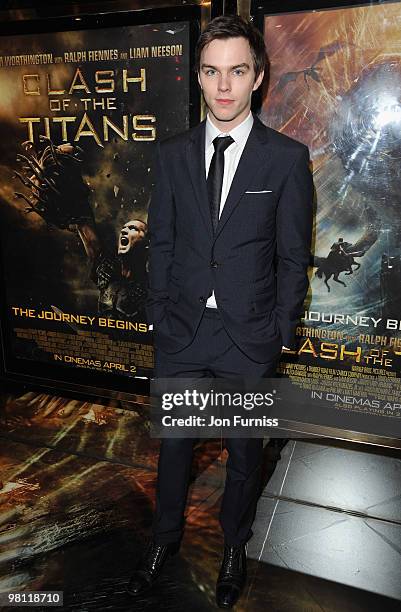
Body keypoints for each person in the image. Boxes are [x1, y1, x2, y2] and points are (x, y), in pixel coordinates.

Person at [128, 14, 313, 609]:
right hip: (183, 333)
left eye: (237, 71)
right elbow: (161, 240)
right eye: (212, 72)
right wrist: (160, 315)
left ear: (257, 77)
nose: (224, 86)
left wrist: (278, 333)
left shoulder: (285, 159)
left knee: (242, 458)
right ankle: (164, 540)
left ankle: (234, 547)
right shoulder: (174, 154)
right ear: (199, 79)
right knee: (175, 448)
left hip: (248, 339)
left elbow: (293, 254)